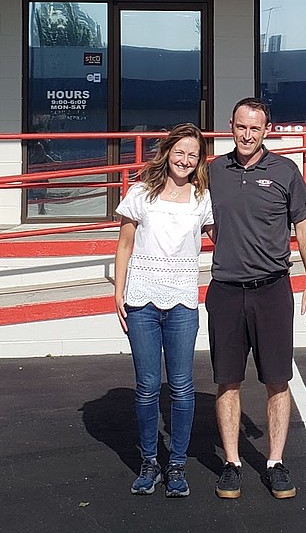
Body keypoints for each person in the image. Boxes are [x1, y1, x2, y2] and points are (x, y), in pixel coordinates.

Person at [205, 97, 306, 500]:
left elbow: (304, 229)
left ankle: (274, 462)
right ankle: (232, 464)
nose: (247, 135)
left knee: (277, 380)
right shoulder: (213, 171)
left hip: (273, 291)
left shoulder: (285, 171)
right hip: (225, 292)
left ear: (266, 130)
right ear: (230, 127)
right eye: (241, 127)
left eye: (255, 128)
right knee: (227, 380)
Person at [113, 123, 213, 498]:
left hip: (184, 302)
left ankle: (177, 465)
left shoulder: (203, 198)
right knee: (147, 386)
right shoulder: (141, 193)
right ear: (168, 151)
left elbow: (227, 236)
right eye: (180, 151)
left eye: (193, 154)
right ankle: (149, 462)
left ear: (199, 160)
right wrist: (119, 293)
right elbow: (124, 245)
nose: (185, 160)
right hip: (142, 301)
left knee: (183, 387)